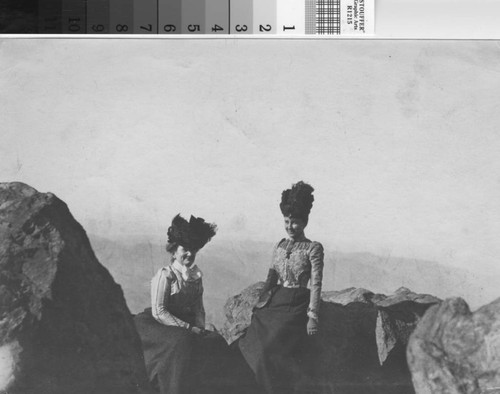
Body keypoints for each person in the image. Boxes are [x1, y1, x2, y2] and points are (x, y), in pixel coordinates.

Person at [238, 181, 324, 394]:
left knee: (269, 351)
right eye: (286, 221)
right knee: (250, 344)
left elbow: (316, 283)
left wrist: (313, 316)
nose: (289, 226)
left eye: (295, 222)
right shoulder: (279, 246)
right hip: (276, 300)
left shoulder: (313, 248)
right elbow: (271, 276)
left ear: (304, 223)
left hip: (296, 304)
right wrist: (260, 303)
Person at [134, 214, 228, 394]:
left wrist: (200, 329)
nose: (189, 254)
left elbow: (198, 308)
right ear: (174, 250)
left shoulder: (195, 277)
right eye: (185, 248)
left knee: (215, 341)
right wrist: (189, 329)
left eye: (193, 249)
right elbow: (160, 311)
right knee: (182, 343)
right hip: (157, 324)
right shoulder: (165, 275)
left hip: (185, 325)